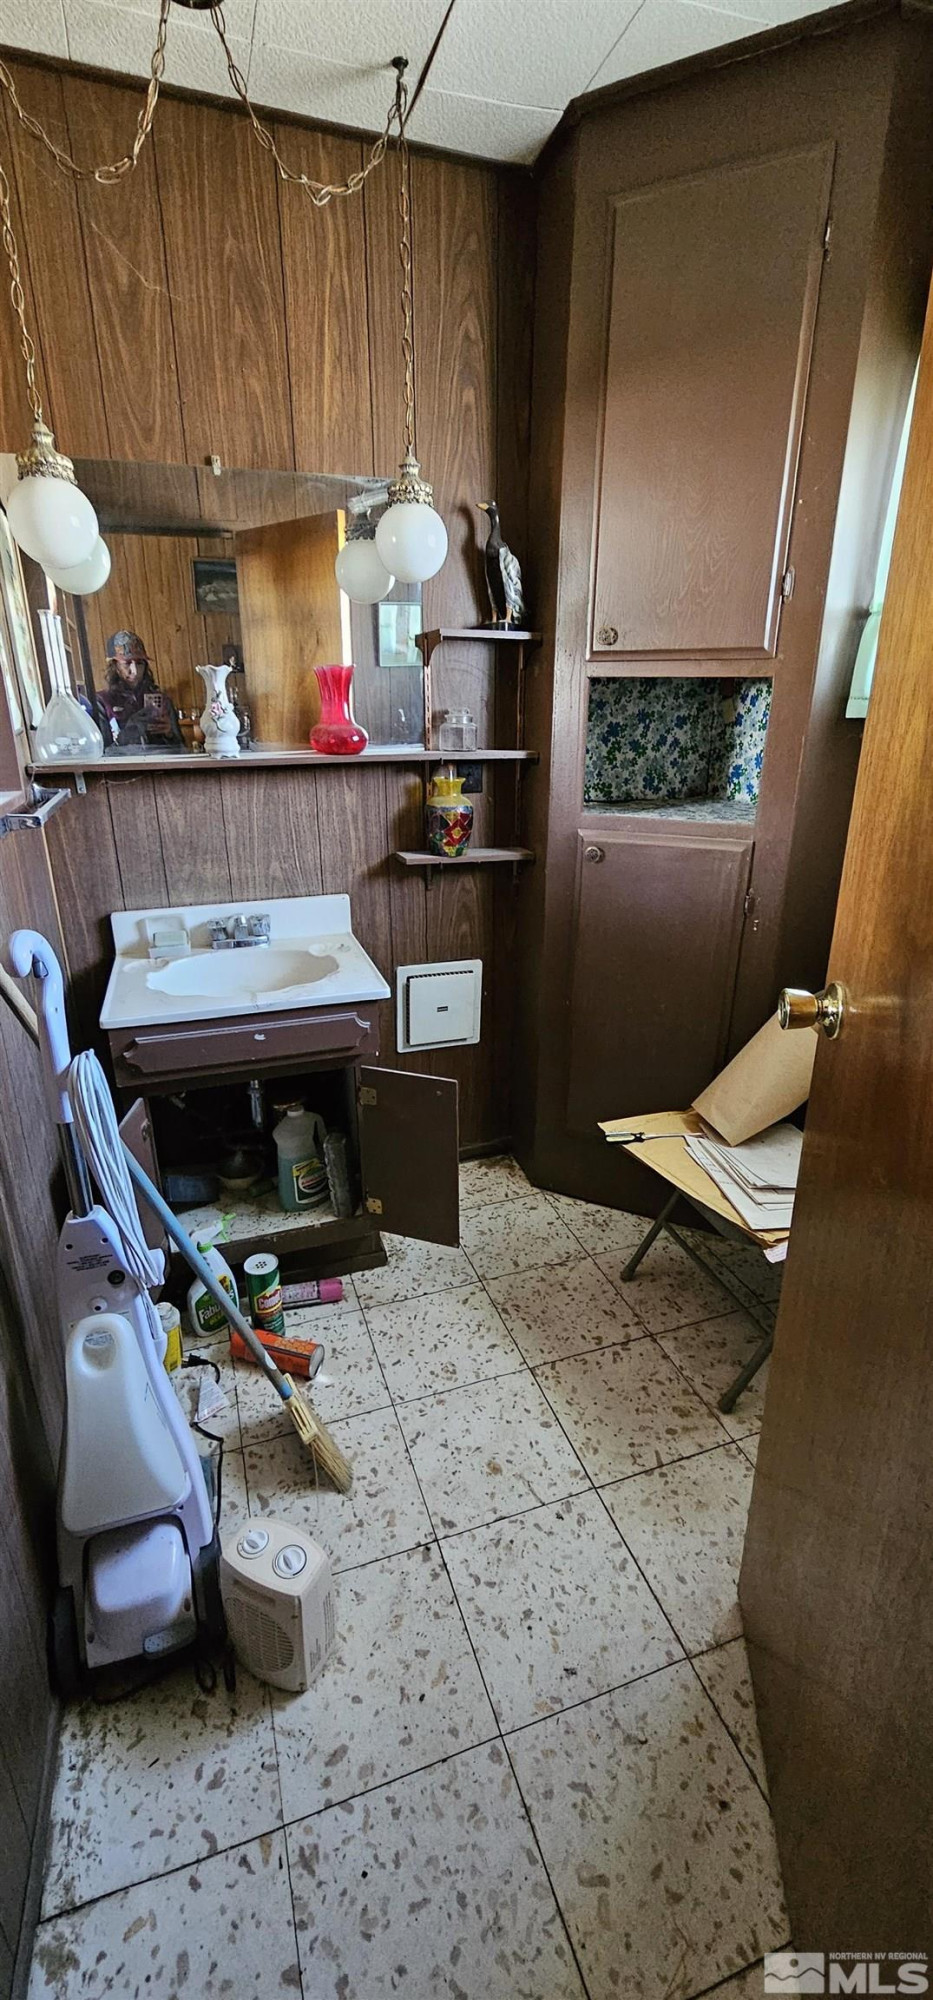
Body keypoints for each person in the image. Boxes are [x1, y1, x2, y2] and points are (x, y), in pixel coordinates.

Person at [96, 631, 184, 748]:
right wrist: (129, 731)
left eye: (139, 663)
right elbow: (102, 752)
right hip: (124, 759)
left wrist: (169, 734)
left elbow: (182, 748)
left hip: (159, 759)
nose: (135, 671)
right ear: (115, 666)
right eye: (127, 663)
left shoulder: (163, 701)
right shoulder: (102, 701)